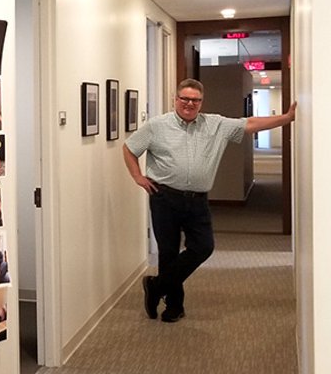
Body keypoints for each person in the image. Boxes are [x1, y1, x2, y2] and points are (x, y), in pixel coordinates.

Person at [123, 78, 296, 323]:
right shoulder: (156, 126)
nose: (189, 103)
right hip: (164, 197)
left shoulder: (215, 124)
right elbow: (130, 148)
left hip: (197, 201)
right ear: (176, 99)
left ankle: (156, 286)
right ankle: (174, 307)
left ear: (201, 102)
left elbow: (251, 123)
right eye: (184, 98)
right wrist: (138, 176)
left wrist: (286, 118)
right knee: (168, 253)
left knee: (203, 247)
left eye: (195, 100)